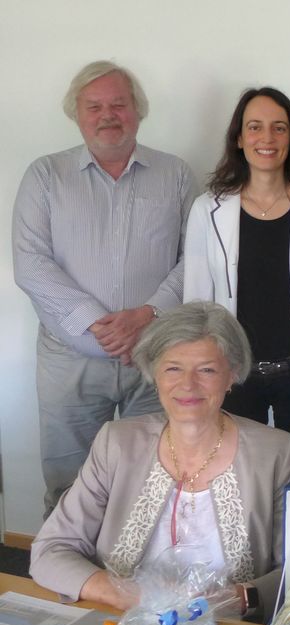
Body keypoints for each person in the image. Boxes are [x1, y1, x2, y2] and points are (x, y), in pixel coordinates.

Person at [30, 302, 290, 621]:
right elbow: (50, 551)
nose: (188, 385)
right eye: (173, 368)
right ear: (154, 374)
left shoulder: (277, 452)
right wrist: (126, 595)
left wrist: (239, 598)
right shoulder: (117, 443)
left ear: (231, 376)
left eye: (207, 370)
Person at [12, 60, 195, 515]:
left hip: (155, 360)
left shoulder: (175, 174)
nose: (107, 114)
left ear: (138, 110)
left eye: (118, 104)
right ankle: (68, 585)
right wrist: (99, 323)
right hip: (69, 364)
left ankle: (135, 586)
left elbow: (198, 257)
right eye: (94, 106)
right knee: (69, 489)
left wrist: (146, 317)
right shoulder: (45, 176)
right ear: (76, 113)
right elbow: (30, 262)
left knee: (154, 482)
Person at [183, 87, 290, 476]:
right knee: (236, 482)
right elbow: (196, 308)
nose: (267, 138)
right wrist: (198, 380)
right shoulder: (206, 209)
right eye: (255, 127)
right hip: (233, 376)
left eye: (279, 128)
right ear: (239, 139)